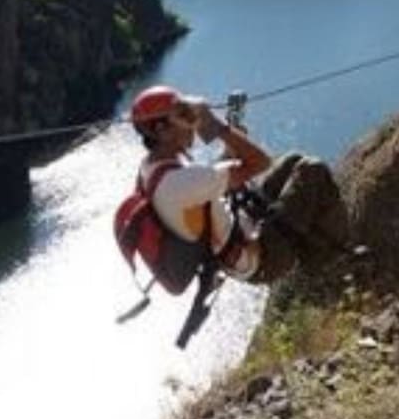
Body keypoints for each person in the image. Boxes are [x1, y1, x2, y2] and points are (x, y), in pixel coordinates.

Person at [129, 85, 349, 285]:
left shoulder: (154, 167)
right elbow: (260, 162)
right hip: (263, 258)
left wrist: (232, 127)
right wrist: (213, 125)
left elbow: (220, 173)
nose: (192, 125)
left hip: (241, 228)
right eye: (184, 118)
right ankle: (331, 265)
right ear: (161, 130)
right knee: (312, 169)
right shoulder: (180, 183)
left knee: (292, 160)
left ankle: (314, 248)